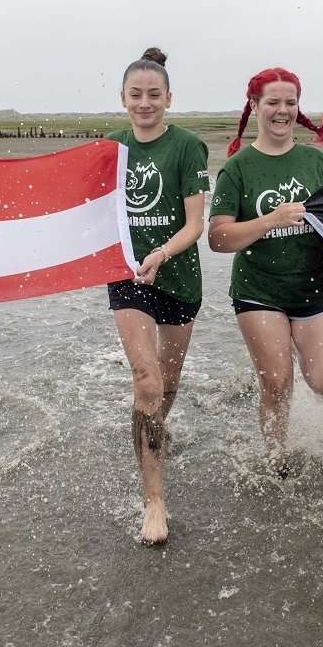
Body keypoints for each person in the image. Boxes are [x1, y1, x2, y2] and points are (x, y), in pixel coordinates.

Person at [208, 68, 323, 477]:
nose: (282, 110)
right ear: (254, 107)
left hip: (313, 287)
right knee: (277, 382)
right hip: (258, 288)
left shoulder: (315, 162)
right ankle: (277, 461)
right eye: (272, 102)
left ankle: (298, 349)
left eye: (290, 102)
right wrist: (271, 220)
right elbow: (218, 237)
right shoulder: (238, 167)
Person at [105, 48, 209, 543]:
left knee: (166, 386)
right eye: (135, 95)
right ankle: (155, 502)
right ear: (122, 98)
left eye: (154, 95)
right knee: (146, 382)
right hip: (128, 278)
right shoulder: (110, 149)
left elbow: (195, 225)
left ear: (168, 98)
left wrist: (162, 254)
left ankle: (150, 436)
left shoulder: (187, 146)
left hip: (178, 276)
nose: (144, 103)